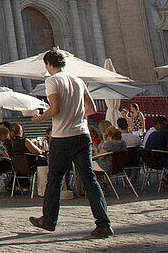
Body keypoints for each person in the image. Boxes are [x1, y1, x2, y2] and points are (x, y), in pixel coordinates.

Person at [29, 48, 112, 239]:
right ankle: (103, 223)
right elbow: (91, 109)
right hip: (82, 134)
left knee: (55, 179)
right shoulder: (78, 80)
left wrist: (40, 118)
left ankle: (49, 220)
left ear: (48, 64)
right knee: (90, 179)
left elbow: (55, 108)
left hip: (62, 137)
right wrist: (76, 117)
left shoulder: (52, 80)